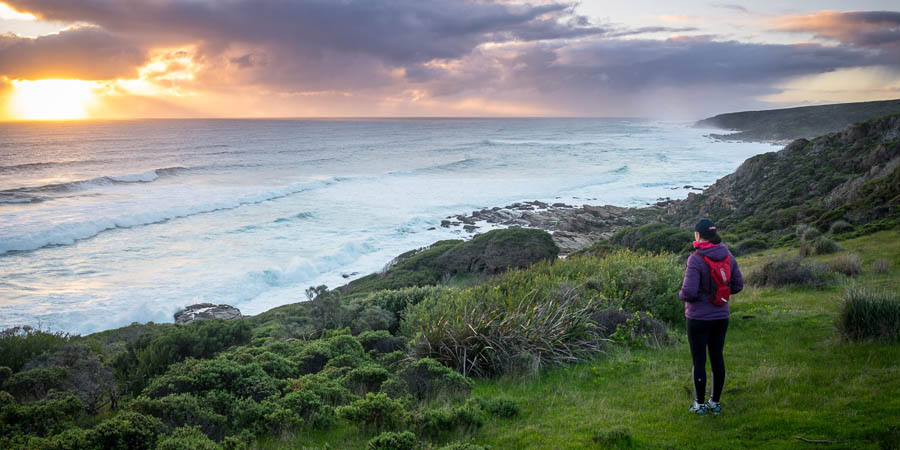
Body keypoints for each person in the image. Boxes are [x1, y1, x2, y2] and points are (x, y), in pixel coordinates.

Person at [679, 218, 743, 415]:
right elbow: (738, 285)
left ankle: (699, 405)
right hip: (721, 316)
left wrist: (688, 296)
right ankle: (715, 403)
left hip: (698, 318)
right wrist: (718, 295)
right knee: (717, 357)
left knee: (699, 360)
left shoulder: (695, 259)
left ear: (698, 235)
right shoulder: (727, 254)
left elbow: (688, 292)